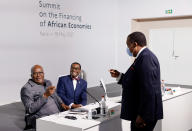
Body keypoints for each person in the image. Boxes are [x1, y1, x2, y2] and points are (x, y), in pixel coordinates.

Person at [109, 32, 163, 131]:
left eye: (128, 45)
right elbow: (136, 81)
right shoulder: (143, 57)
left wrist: (142, 115)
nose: (128, 49)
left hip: (143, 115)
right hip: (140, 112)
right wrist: (119, 75)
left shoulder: (146, 58)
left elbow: (148, 89)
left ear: (135, 44)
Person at [21, 65, 69, 130]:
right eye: (35, 73)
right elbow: (30, 109)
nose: (38, 75)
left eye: (40, 73)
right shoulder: (26, 89)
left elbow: (55, 95)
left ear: (43, 74)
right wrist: (45, 96)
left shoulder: (47, 82)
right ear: (31, 75)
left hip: (58, 115)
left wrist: (62, 104)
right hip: (42, 118)